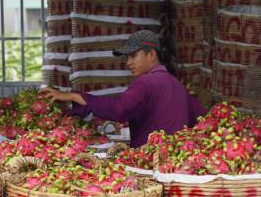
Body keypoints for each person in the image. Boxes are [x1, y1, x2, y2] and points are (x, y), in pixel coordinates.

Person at [39, 30, 206, 148]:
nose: (128, 62)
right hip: (177, 162)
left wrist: (75, 96)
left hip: (148, 163)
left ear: (152, 55)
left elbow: (119, 108)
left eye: (133, 55)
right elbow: (202, 120)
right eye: (127, 57)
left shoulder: (145, 82)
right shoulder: (178, 85)